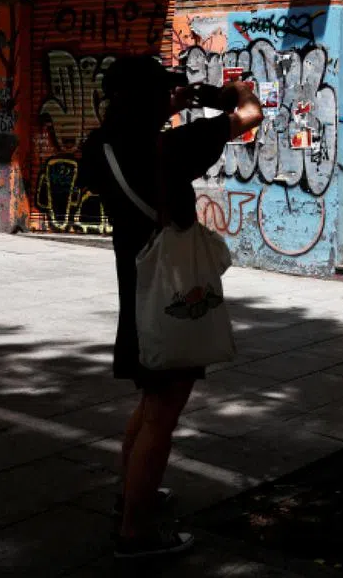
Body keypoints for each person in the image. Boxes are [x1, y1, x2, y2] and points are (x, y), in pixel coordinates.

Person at [81, 55, 263, 559]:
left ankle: (130, 498)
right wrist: (235, 93)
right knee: (163, 410)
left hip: (135, 284)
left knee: (149, 400)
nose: (171, 98)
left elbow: (133, 152)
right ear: (149, 99)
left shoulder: (99, 147)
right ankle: (136, 534)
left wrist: (170, 108)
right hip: (171, 292)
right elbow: (250, 116)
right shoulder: (173, 146)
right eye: (164, 92)